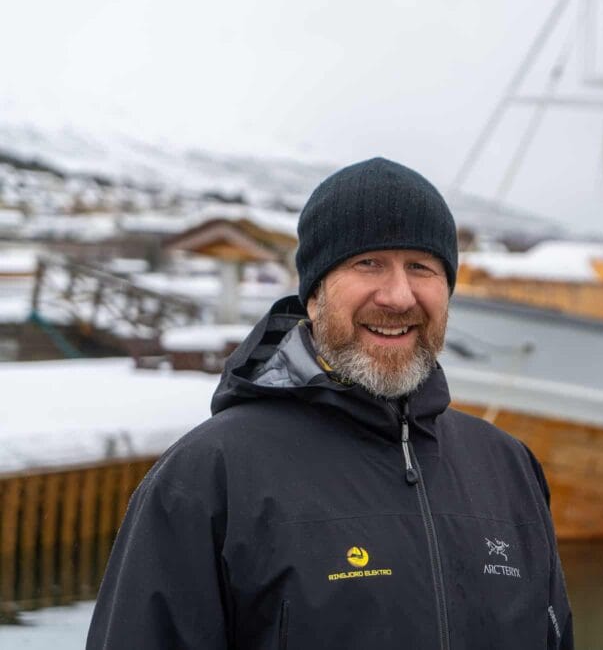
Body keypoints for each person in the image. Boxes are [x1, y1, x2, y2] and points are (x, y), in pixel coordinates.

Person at [86, 157, 574, 649]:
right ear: (314, 295)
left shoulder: (507, 468)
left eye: (421, 267)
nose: (399, 295)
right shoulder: (209, 477)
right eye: (369, 263)